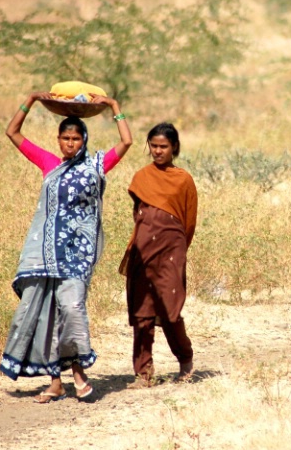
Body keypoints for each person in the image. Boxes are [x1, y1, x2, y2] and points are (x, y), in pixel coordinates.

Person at [0, 91, 132, 403]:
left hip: (77, 255)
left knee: (71, 309)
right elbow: (12, 133)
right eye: (65, 138)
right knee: (47, 312)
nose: (70, 143)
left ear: (83, 140)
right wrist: (30, 100)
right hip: (47, 255)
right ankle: (56, 382)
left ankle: (79, 373)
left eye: (75, 138)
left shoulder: (97, 164)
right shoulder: (48, 163)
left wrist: (114, 107)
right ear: (58, 140)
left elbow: (125, 143)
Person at [119, 122, 197, 388]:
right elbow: (139, 214)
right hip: (144, 248)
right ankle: (144, 373)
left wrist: (177, 249)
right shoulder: (142, 176)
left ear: (174, 147)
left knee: (170, 307)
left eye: (163, 146)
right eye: (153, 146)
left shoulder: (183, 179)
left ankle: (185, 361)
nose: (157, 151)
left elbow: (189, 221)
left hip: (172, 249)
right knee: (143, 312)